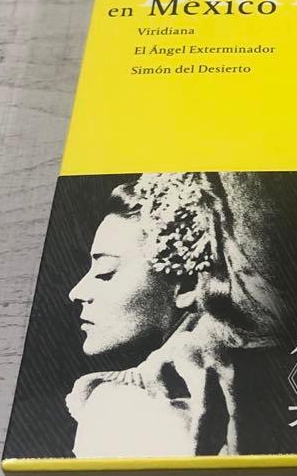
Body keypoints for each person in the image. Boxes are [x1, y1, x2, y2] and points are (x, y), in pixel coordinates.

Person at [65, 172, 275, 458]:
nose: (76, 292)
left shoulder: (122, 410)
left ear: (188, 285)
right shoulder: (254, 381)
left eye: (105, 271)